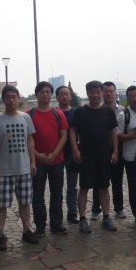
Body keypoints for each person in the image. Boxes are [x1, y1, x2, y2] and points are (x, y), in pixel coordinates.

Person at [0, 85, 38, 250]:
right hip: (4, 170)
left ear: (18, 99)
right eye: (8, 97)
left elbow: (30, 140)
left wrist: (32, 162)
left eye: (14, 97)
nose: (11, 100)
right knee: (1, 205)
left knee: (25, 202)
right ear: (3, 100)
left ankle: (26, 229)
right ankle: (0, 234)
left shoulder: (26, 117)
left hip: (23, 168)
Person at [70, 80, 119, 233]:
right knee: (84, 187)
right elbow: (73, 131)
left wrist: (115, 151)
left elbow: (113, 132)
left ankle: (106, 218)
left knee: (104, 187)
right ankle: (82, 219)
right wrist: (75, 150)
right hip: (86, 155)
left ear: (102, 93)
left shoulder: (108, 111)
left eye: (98, 92)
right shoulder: (80, 111)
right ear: (87, 93)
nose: (96, 95)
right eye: (92, 92)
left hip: (103, 155)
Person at [27, 81, 69, 236]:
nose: (45, 94)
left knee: (57, 194)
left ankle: (56, 223)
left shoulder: (58, 114)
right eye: (42, 92)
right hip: (37, 162)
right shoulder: (29, 114)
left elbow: (63, 136)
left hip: (56, 161)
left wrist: (54, 154)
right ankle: (40, 225)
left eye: (48, 92)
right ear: (36, 94)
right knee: (37, 195)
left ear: (51, 95)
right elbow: (26, 138)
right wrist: (37, 154)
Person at [91, 82, 126, 220]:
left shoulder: (123, 110)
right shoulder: (96, 109)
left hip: (117, 149)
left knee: (117, 180)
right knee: (98, 181)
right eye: (106, 91)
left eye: (111, 91)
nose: (109, 94)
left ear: (115, 93)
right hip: (100, 149)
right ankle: (96, 208)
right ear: (102, 93)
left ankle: (119, 207)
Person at [116, 85, 136, 224]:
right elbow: (118, 135)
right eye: (132, 96)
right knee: (133, 187)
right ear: (127, 99)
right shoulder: (123, 115)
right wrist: (134, 135)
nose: (135, 99)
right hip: (130, 156)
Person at [56, 85, 79, 224]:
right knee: (57, 186)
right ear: (57, 97)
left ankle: (72, 212)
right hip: (57, 153)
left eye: (67, 94)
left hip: (72, 153)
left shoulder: (76, 112)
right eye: (61, 94)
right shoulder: (54, 112)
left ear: (71, 96)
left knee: (72, 185)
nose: (64, 96)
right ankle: (57, 215)